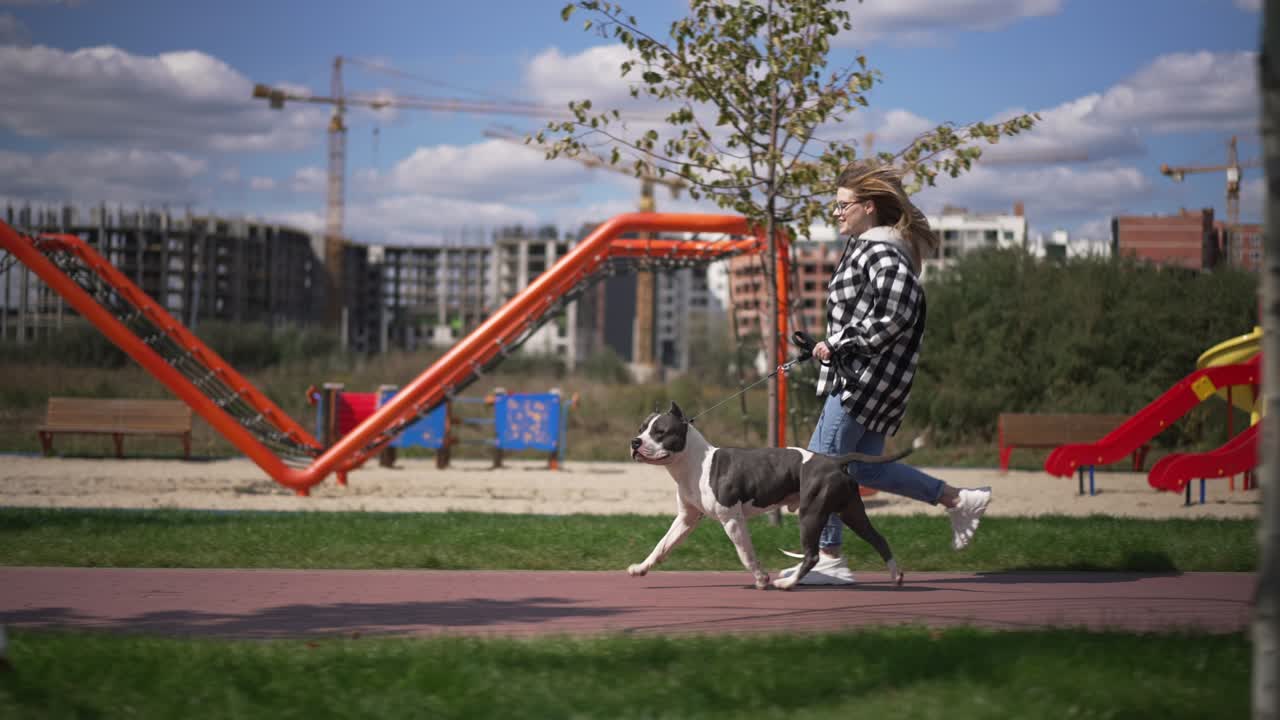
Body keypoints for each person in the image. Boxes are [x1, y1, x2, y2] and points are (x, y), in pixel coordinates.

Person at [780, 161, 991, 585]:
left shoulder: (881, 250)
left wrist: (840, 342)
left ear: (869, 207)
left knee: (822, 467)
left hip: (864, 383)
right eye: (834, 205)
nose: (836, 213)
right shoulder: (870, 247)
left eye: (843, 206)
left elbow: (897, 313)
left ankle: (829, 558)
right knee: (865, 470)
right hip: (870, 381)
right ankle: (958, 500)